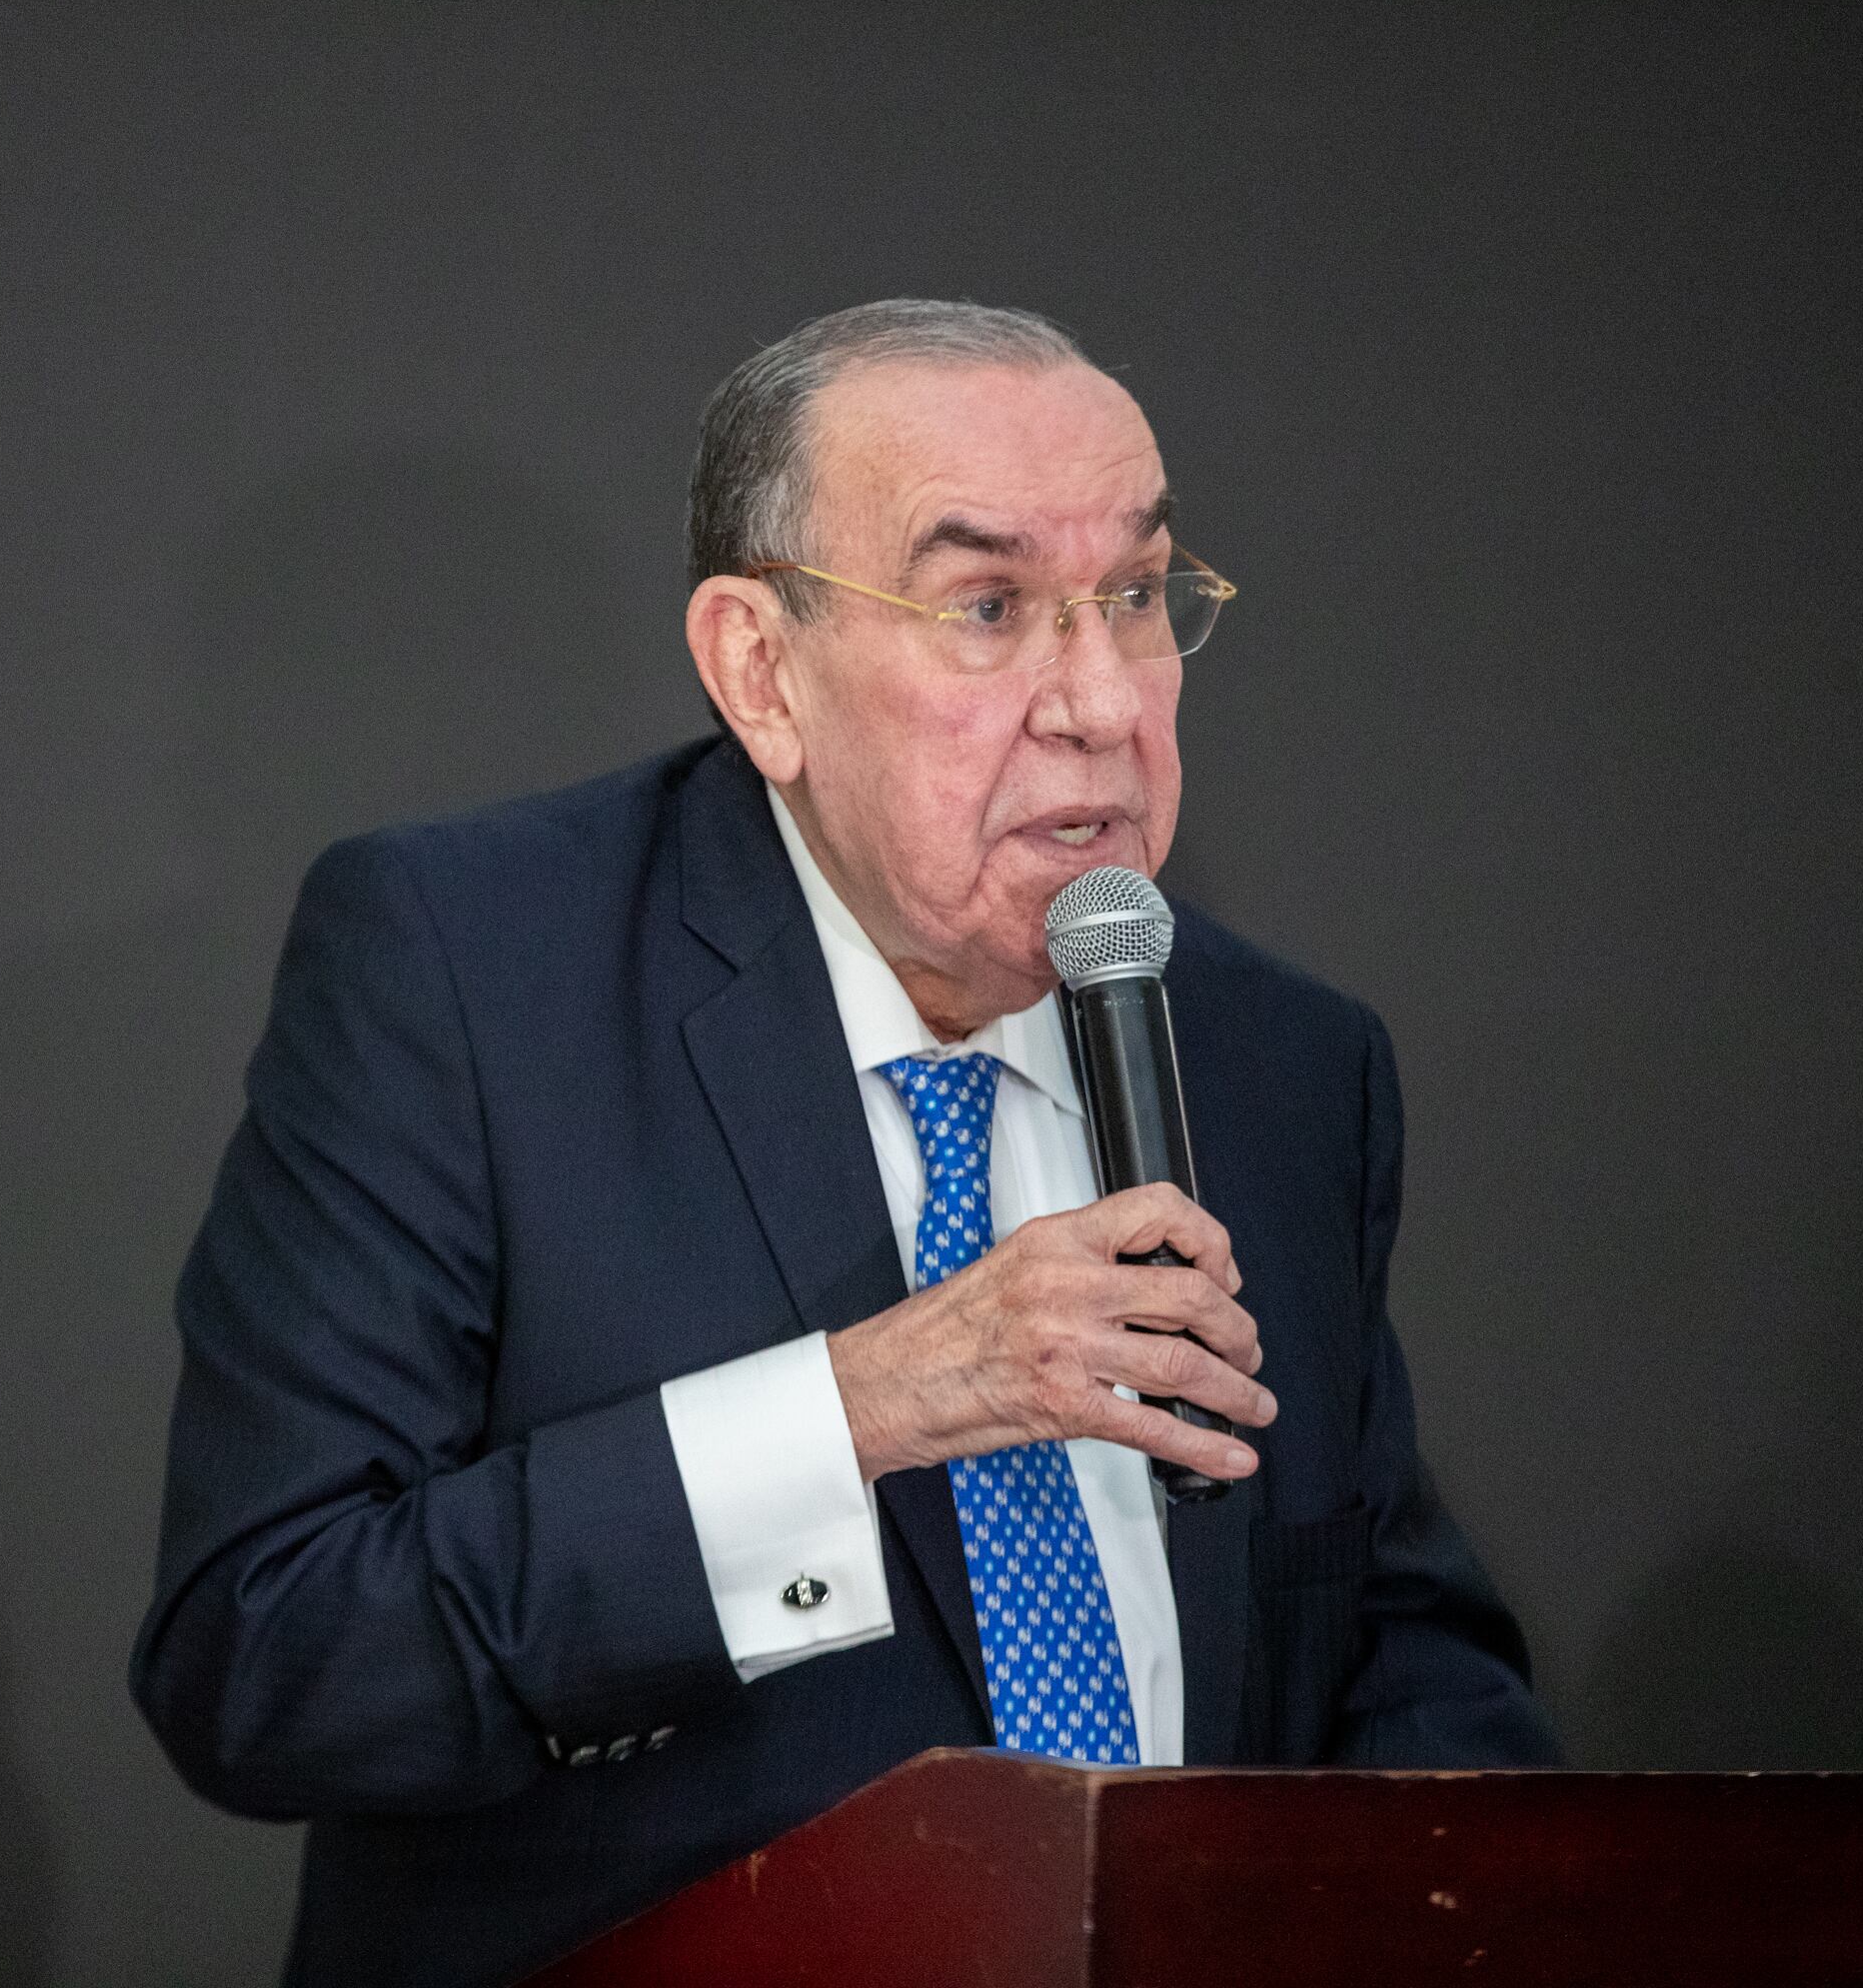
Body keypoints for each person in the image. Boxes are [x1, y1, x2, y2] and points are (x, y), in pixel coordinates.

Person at [131, 298, 1560, 1988]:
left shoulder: (1280, 1057)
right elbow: (271, 1663)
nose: (1101, 700)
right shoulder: (465, 974)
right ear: (763, 669)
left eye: (1135, 596)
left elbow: (1388, 1645)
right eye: (988, 609)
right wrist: (862, 1406)